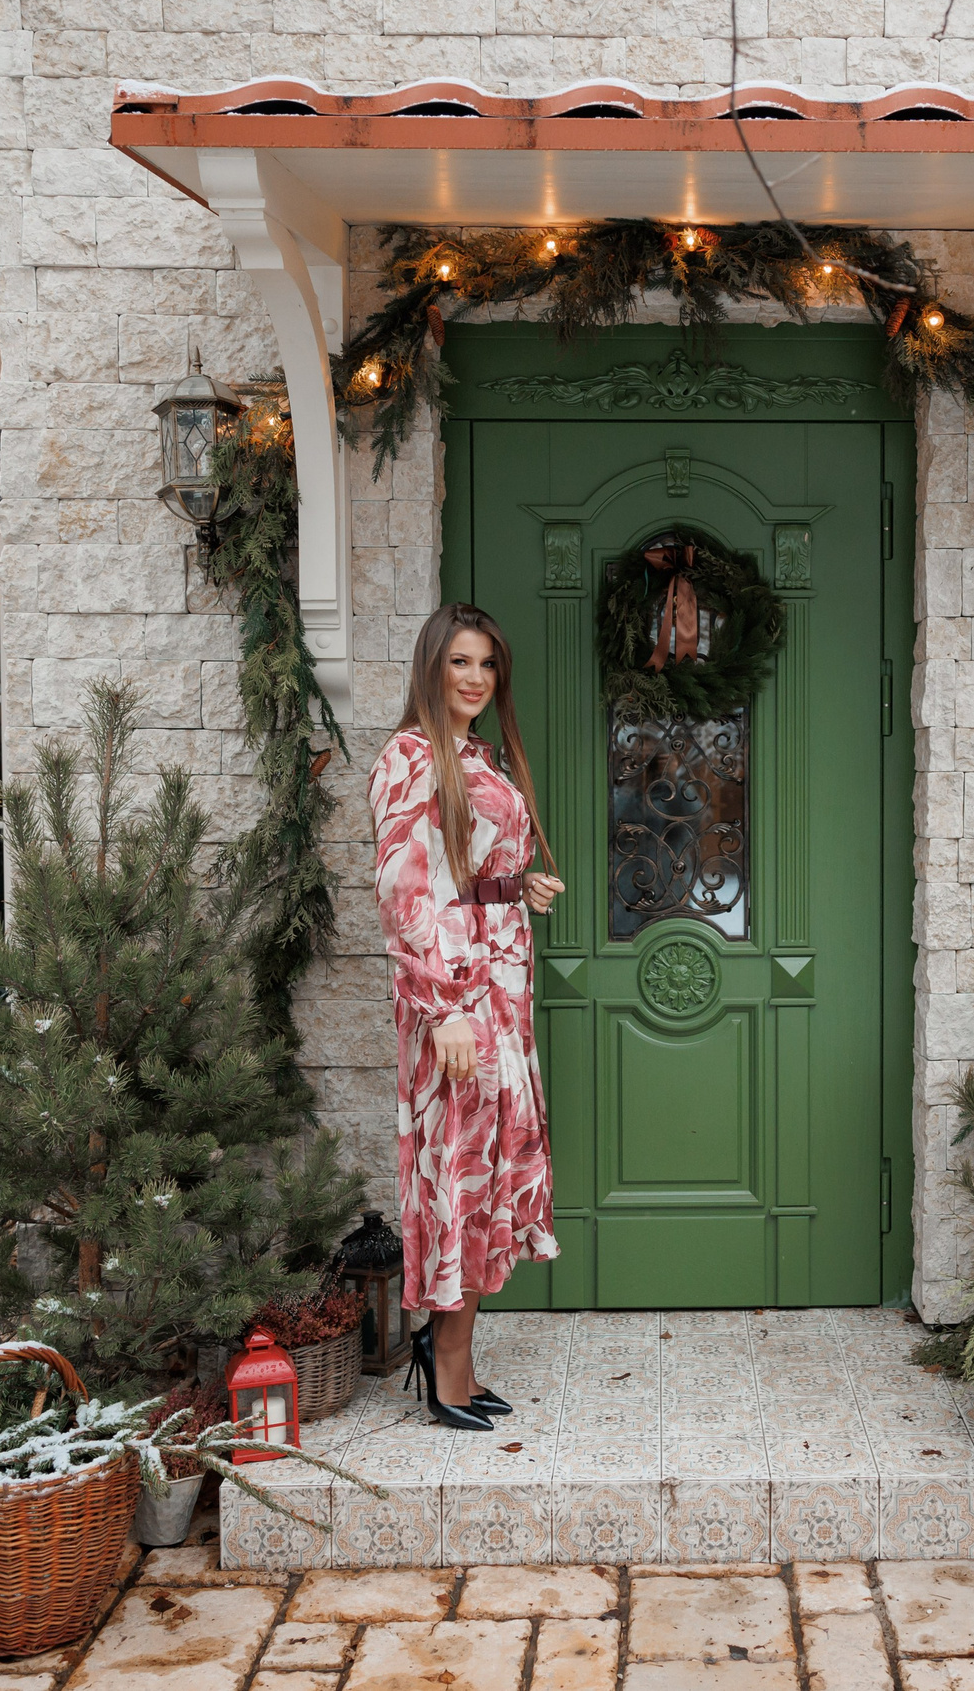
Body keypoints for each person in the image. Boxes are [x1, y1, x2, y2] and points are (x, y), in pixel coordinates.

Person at [368, 603, 565, 1430]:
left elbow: (465, 868)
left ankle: (457, 1354)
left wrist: (520, 885)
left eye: (486, 664)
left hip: (501, 991)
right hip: (453, 1002)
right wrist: (445, 1007)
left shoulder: (475, 754)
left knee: (486, 1171)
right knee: (456, 1167)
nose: (475, 678)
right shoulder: (409, 759)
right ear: (430, 667)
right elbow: (407, 895)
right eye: (459, 662)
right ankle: (445, 1360)